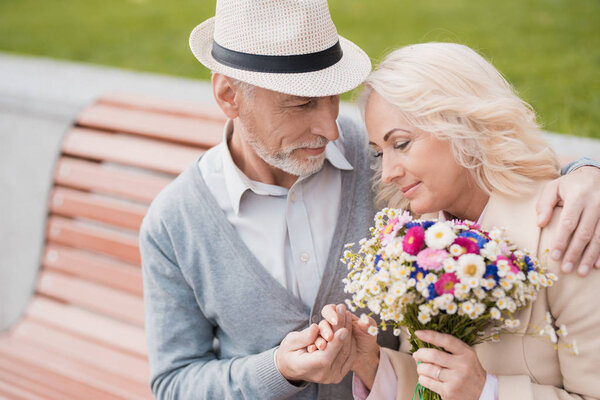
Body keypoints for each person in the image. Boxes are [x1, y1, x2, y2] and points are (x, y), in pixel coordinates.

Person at [139, 0, 600, 397]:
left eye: (333, 98)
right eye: (301, 104)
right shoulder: (175, 223)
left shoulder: (373, 154)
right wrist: (277, 370)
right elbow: (175, 382)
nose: (331, 129)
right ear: (228, 96)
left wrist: (585, 173)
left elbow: (487, 160)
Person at [314, 42, 600, 400]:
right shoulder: (417, 241)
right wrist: (372, 362)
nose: (387, 173)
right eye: (378, 152)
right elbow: (433, 381)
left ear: (463, 125)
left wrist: (489, 392)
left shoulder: (569, 232)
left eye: (400, 143)